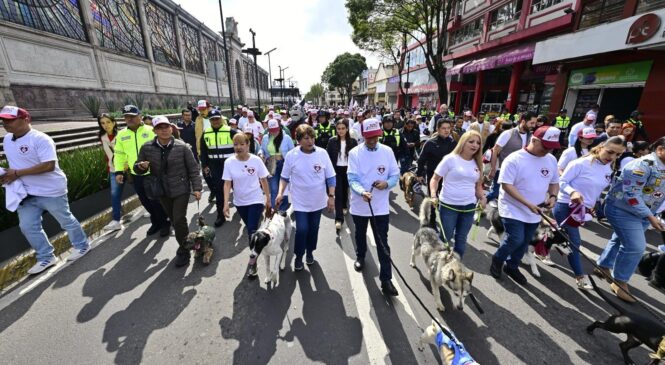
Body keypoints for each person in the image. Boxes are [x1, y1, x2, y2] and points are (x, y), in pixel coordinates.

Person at [0, 106, 90, 274]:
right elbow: (16, 162)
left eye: (10, 120)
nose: (6, 123)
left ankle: (82, 245)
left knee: (65, 220)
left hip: (50, 190)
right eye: (4, 120)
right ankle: (46, 257)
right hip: (25, 192)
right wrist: (7, 174)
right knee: (28, 226)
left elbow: (49, 165)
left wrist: (17, 173)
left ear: (26, 120)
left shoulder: (41, 139)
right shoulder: (7, 140)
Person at [489, 126, 561, 285]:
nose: (548, 151)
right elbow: (507, 185)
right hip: (512, 207)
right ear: (533, 140)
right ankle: (498, 259)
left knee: (525, 241)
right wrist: (527, 203)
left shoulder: (551, 160)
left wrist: (553, 196)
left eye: (552, 148)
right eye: (545, 146)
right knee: (515, 238)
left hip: (536, 209)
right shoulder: (514, 159)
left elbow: (554, 182)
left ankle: (512, 266)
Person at [596, 137, 665, 302]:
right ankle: (619, 281)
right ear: (661, 149)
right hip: (622, 209)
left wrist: (653, 214)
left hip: (644, 212)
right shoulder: (642, 165)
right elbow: (631, 195)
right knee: (636, 246)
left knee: (620, 239)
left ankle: (603, 266)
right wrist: (650, 216)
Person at [554, 137, 626, 289]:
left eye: (617, 155)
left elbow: (596, 190)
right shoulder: (580, 163)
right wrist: (572, 192)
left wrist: (593, 205)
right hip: (565, 206)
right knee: (574, 242)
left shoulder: (609, 168)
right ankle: (580, 277)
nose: (612, 157)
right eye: (610, 152)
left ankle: (540, 247)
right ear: (600, 147)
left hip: (582, 210)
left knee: (560, 237)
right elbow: (561, 181)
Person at [134, 116, 202, 267]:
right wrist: (140, 167)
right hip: (162, 191)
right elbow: (136, 167)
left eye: (166, 127)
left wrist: (197, 188)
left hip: (181, 189)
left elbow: (193, 169)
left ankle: (184, 250)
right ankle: (187, 241)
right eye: (160, 128)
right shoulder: (147, 147)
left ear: (171, 128)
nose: (164, 130)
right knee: (174, 220)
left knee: (179, 219)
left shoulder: (182, 147)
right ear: (155, 131)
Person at [348, 118, 401, 296]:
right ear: (363, 135)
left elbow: (395, 174)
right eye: (368, 137)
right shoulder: (355, 153)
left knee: (382, 241)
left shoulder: (387, 151)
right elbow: (352, 179)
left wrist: (386, 184)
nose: (372, 140)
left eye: (375, 137)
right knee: (360, 233)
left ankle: (386, 280)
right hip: (360, 204)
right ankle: (361, 255)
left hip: (380, 206)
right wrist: (362, 192)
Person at [276, 124, 335, 271]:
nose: (311, 141)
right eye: (307, 138)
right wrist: (280, 193)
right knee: (302, 229)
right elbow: (284, 177)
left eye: (312, 137)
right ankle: (298, 256)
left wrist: (331, 196)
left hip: (318, 200)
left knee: (314, 228)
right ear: (299, 140)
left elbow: (331, 177)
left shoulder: (322, 153)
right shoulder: (292, 155)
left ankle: (310, 252)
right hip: (299, 201)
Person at [114, 105, 170, 237]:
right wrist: (119, 171)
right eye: (127, 117)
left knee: (157, 200)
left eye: (132, 116)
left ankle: (165, 223)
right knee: (144, 200)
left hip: (154, 172)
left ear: (140, 116)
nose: (129, 119)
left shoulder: (151, 131)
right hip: (136, 174)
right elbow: (119, 155)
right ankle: (156, 222)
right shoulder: (121, 135)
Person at [429, 130, 486, 258]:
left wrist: (482, 198)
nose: (475, 145)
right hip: (449, 205)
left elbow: (478, 186)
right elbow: (435, 179)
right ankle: (436, 261)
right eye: (471, 142)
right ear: (462, 143)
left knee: (461, 239)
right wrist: (433, 195)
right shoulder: (450, 159)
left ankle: (455, 265)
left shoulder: (478, 163)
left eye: (478, 143)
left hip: (469, 207)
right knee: (446, 236)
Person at [223, 133, 271, 278]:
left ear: (248, 144)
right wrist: (226, 203)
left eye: (241, 144)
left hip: (256, 200)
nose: (238, 147)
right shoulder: (229, 162)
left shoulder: (256, 161)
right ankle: (256, 245)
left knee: (251, 230)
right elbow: (227, 184)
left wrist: (268, 199)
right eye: (235, 144)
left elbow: (263, 180)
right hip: (240, 202)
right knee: (250, 228)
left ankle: (253, 263)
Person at [487, 112, 537, 203]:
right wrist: (493, 169)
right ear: (523, 121)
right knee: (495, 192)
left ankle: (499, 214)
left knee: (511, 196)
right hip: (502, 169)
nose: (533, 126)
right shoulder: (508, 134)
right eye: (531, 123)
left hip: (519, 172)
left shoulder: (531, 136)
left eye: (535, 123)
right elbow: (495, 150)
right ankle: (478, 206)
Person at [200, 109, 235, 226]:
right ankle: (221, 215)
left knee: (238, 188)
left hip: (231, 164)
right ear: (209, 121)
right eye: (212, 119)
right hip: (215, 166)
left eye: (217, 118)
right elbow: (203, 151)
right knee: (219, 191)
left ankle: (243, 208)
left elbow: (243, 144)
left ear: (221, 118)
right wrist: (204, 165)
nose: (215, 121)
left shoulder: (231, 131)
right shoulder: (205, 133)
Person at [326, 119, 358, 231]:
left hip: (348, 170)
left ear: (347, 129)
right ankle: (339, 219)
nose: (341, 131)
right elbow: (328, 158)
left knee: (345, 190)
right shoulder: (332, 141)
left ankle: (345, 205)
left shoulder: (353, 142)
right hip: (336, 170)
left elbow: (356, 158)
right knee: (338, 193)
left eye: (343, 128)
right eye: (338, 129)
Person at [261, 119, 295, 212]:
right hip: (271, 165)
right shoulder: (265, 138)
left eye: (275, 130)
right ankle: (274, 210)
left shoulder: (286, 137)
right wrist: (261, 153)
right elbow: (262, 149)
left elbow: (293, 151)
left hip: (284, 164)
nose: (273, 132)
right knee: (274, 188)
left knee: (283, 188)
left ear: (279, 128)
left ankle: (283, 210)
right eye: (271, 130)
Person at [98, 113, 124, 231]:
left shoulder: (122, 134)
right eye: (102, 123)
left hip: (128, 167)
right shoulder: (102, 137)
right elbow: (109, 155)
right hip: (114, 169)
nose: (106, 125)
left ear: (114, 122)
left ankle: (152, 210)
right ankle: (116, 220)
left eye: (108, 122)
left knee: (142, 190)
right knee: (114, 195)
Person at [417, 119, 457, 190]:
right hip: (432, 175)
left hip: (447, 176)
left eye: (448, 128)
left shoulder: (453, 143)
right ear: (438, 129)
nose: (446, 130)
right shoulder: (430, 143)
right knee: (432, 198)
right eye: (443, 128)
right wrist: (419, 174)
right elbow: (421, 160)